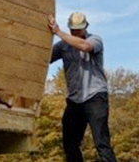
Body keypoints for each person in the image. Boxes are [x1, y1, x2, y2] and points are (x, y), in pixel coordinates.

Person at [48, 12, 118, 162]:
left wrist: (59, 33)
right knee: (69, 144)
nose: (76, 32)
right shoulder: (63, 46)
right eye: (73, 29)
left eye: (78, 29)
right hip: (75, 100)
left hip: (95, 96)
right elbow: (44, 57)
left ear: (85, 27)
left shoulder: (95, 39)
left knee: (101, 144)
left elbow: (85, 47)